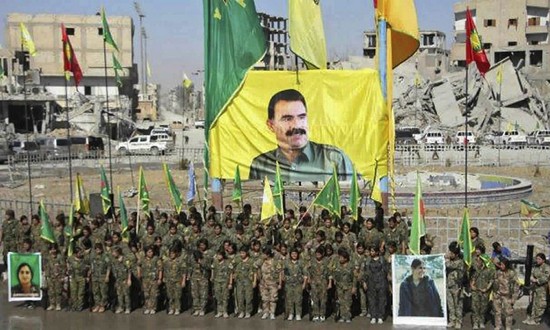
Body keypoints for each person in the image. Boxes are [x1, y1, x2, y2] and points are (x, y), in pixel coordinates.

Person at [249, 89, 353, 182]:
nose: (296, 125)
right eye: (287, 119)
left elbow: (357, 199)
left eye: (301, 117)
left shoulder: (335, 159)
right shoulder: (260, 165)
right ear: (271, 125)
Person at [523, 253, 550, 325]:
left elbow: (546, 277)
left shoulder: (546, 267)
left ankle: (537, 320)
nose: (537, 260)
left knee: (540, 305)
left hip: (542, 289)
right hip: (535, 288)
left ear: (543, 260)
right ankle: (532, 318)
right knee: (533, 303)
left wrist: (537, 280)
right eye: (537, 259)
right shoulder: (536, 266)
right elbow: (532, 274)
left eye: (539, 259)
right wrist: (531, 278)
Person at [492, 258, 518, 330]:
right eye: (501, 264)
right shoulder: (497, 272)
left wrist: (514, 298)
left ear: (507, 265)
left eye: (503, 264)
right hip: (498, 295)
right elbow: (494, 282)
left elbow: (516, 286)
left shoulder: (511, 273)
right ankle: (498, 325)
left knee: (508, 312)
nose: (501, 266)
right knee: (497, 311)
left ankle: (508, 327)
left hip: (507, 296)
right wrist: (494, 293)